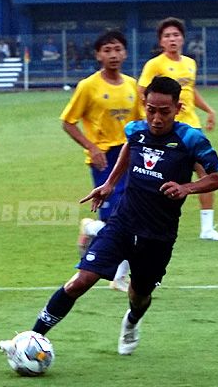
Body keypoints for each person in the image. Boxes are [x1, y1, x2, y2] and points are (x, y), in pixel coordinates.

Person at [0, 76, 218, 358]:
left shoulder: (191, 139)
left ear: (178, 108)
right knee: (79, 281)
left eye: (164, 112)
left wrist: (186, 187)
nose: (156, 118)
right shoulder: (135, 130)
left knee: (139, 295)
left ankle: (131, 321)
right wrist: (109, 184)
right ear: (144, 104)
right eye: (151, 109)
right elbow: (128, 152)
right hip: (122, 223)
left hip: (157, 235)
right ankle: (29, 338)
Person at [60, 30, 144, 292]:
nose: (113, 55)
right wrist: (92, 147)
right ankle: (92, 229)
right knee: (117, 217)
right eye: (107, 50)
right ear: (98, 54)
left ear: (125, 53)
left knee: (132, 216)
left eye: (118, 49)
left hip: (128, 154)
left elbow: (140, 122)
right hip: (104, 159)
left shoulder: (132, 85)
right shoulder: (88, 86)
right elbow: (68, 122)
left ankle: (117, 276)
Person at [138, 17, 218, 241]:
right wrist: (154, 119)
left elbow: (190, 91)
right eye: (167, 35)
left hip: (192, 128)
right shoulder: (155, 65)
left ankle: (207, 228)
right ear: (161, 41)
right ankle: (147, 222)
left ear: (183, 39)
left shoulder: (189, 63)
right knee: (159, 175)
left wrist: (209, 110)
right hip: (170, 129)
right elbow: (142, 92)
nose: (172, 39)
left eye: (176, 35)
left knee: (205, 172)